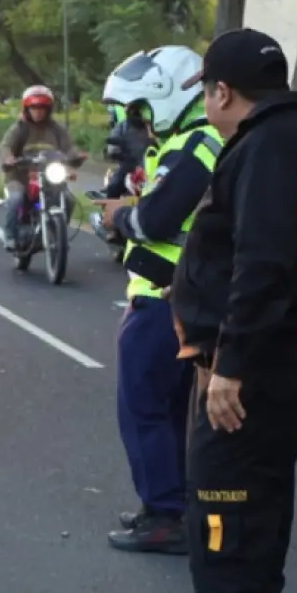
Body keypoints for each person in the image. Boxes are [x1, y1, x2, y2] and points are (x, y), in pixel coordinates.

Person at [163, 29, 297, 593]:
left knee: (224, 526)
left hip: (251, 375)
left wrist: (230, 368)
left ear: (221, 91)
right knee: (251, 523)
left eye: (206, 93)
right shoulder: (290, 139)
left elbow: (263, 265)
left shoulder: (268, 147)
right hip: (273, 365)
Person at [91, 47, 224, 555]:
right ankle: (168, 505)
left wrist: (118, 216)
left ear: (164, 98)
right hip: (171, 298)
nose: (134, 122)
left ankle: (166, 515)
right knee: (168, 412)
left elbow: (155, 222)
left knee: (144, 409)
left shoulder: (196, 146)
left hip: (164, 301)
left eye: (138, 109)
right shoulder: (189, 144)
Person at [0, 85, 82, 250]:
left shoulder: (56, 129)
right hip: (20, 175)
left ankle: (58, 234)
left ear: (49, 109)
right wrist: (8, 158)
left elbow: (69, 147)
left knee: (69, 200)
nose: (38, 112)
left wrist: (75, 157)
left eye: (42, 108)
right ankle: (10, 235)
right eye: (34, 108)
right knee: (15, 199)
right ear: (27, 109)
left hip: (48, 175)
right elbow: (6, 145)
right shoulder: (20, 128)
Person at [100, 99, 154, 199]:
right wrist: (116, 152)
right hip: (129, 167)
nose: (137, 113)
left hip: (151, 169)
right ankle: (109, 209)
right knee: (115, 185)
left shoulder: (153, 127)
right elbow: (112, 145)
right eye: (134, 110)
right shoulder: (123, 126)